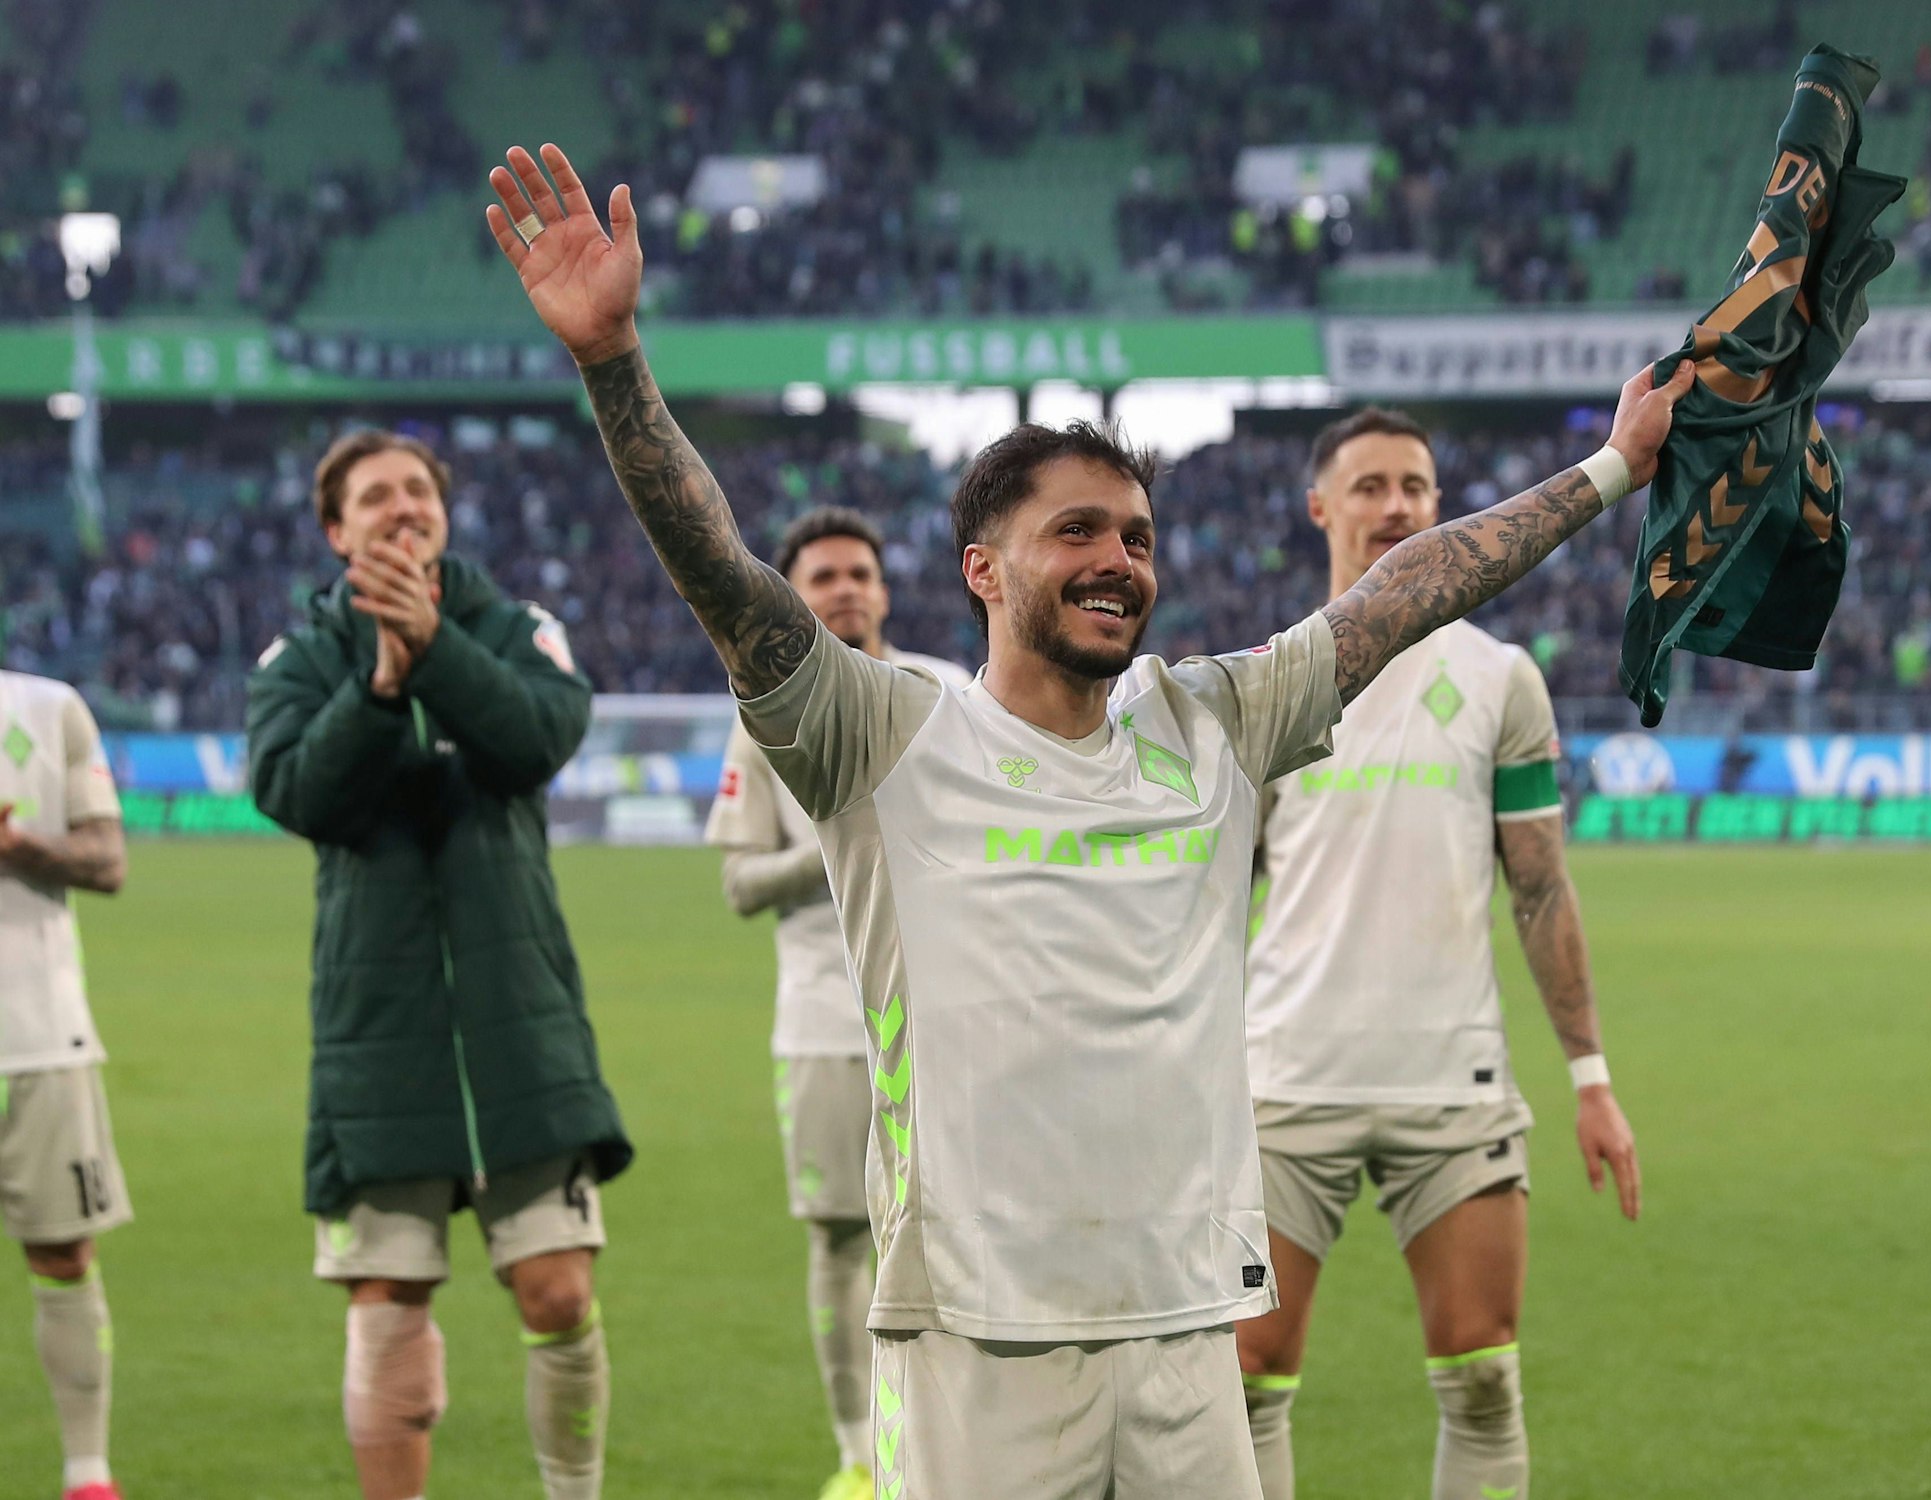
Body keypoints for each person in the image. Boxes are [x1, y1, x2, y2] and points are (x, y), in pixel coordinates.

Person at [486, 141, 1691, 1499]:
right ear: (983, 568)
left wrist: (1607, 472)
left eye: (1137, 534)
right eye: (1077, 532)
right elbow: (722, 570)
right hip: (974, 1340)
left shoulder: (1212, 724)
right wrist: (612, 362)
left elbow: (1403, 590)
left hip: (1186, 1334)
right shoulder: (882, 734)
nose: (1119, 558)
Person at [1235, 409, 1643, 1500]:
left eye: (1414, 485)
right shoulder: (1266, 682)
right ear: (1318, 508)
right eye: (1366, 486)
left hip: (1451, 1089)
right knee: (1243, 1381)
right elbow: (1210, 903)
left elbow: (1539, 885)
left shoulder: (1503, 677)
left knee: (1480, 1380)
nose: (1394, 506)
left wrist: (1590, 1079)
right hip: (1281, 1084)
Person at [245, 429, 633, 1500]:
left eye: (418, 490)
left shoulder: (514, 628)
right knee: (386, 1302)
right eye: (375, 497)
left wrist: (435, 650)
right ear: (336, 530)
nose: (402, 507)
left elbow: (538, 735)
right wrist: (380, 684)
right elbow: (294, 794)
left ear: (444, 512)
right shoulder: (298, 659)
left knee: (556, 1291)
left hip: (520, 1016)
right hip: (379, 1025)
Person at [704, 506, 971, 1500]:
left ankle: (947, 1447)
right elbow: (737, 885)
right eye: (822, 576)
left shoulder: (943, 693)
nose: (845, 588)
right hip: (823, 1021)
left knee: (959, 1230)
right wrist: (848, 836)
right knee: (836, 1238)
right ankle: (859, 1457)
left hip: (950, 1016)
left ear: (884, 590)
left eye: (860, 571)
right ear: (791, 595)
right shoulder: (760, 713)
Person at [0, 670, 130, 1500]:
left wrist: (18, 848)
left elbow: (107, 861)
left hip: (37, 1036)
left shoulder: (46, 708)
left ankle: (88, 1478)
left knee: (63, 1253)